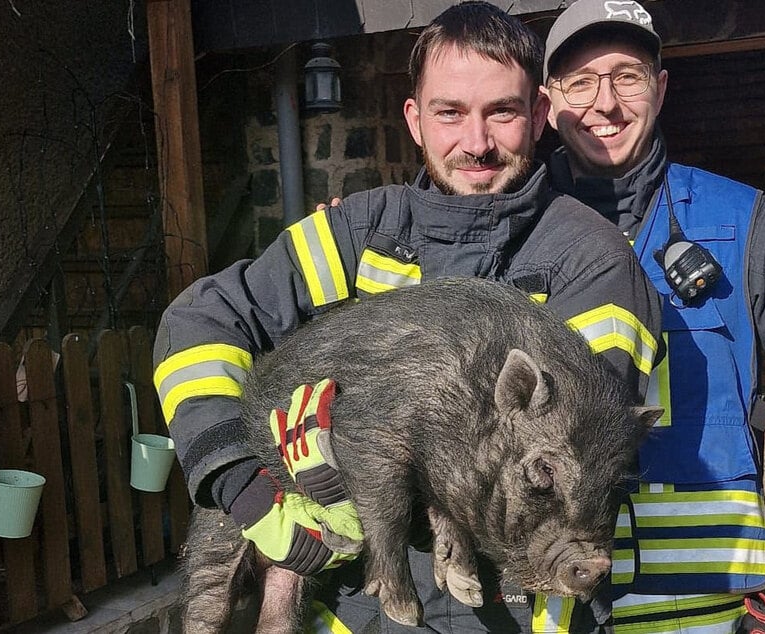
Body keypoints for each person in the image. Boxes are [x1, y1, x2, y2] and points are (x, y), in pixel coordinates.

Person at [154, 2, 661, 632]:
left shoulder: (592, 259)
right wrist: (237, 476)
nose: (476, 143)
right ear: (415, 121)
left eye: (501, 112)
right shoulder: (360, 230)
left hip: (519, 609)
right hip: (354, 608)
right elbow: (203, 319)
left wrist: (353, 455)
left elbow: (568, 463)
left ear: (536, 116)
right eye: (450, 113)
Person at [540, 1, 765, 631]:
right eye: (581, 82)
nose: (605, 103)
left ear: (660, 90)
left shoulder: (742, 222)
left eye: (627, 76)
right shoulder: (509, 230)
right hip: (549, 602)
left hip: (705, 605)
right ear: (549, 102)